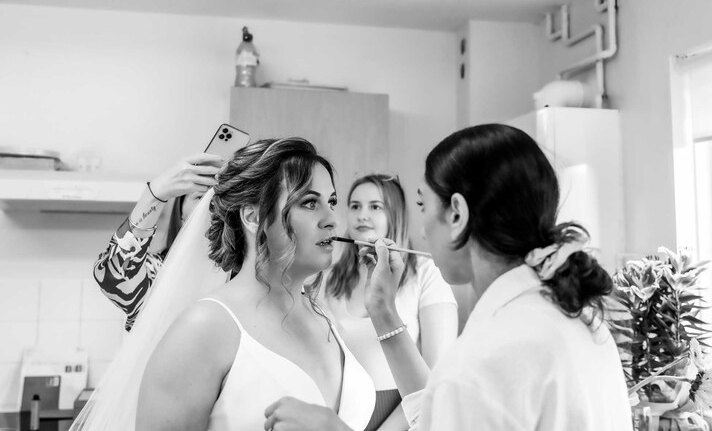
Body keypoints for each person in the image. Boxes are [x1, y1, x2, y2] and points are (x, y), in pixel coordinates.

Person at [265, 124, 633, 431]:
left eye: (424, 205)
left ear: (457, 213)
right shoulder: (580, 319)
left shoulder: (486, 355)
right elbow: (437, 417)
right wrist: (383, 310)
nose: (422, 229)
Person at [73, 138, 375, 431]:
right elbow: (116, 276)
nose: (333, 219)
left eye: (332, 202)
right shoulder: (202, 326)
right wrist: (155, 193)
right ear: (253, 217)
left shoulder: (322, 314)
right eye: (309, 202)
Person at [321, 173, 457, 431]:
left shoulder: (428, 273)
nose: (362, 215)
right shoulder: (329, 278)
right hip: (342, 416)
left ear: (395, 215)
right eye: (354, 206)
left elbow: (439, 374)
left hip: (409, 417)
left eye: (375, 206)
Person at [93, 153, 224, 330]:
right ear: (181, 212)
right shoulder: (158, 271)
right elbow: (115, 276)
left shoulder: (243, 274)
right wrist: (155, 194)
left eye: (221, 200)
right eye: (201, 198)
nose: (212, 208)